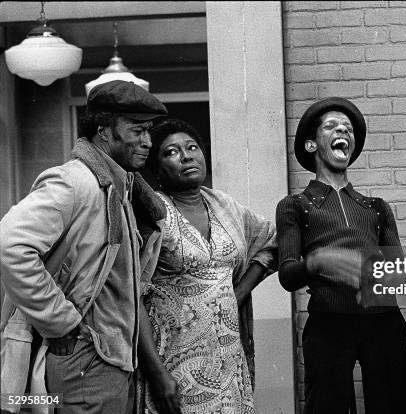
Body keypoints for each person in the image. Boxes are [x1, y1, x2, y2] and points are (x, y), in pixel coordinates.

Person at [0, 80, 168, 413]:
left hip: (110, 361)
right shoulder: (76, 181)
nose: (148, 141)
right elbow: (11, 246)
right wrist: (60, 322)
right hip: (84, 360)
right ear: (104, 131)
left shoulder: (119, 186)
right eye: (137, 130)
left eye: (149, 131)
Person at [275, 98, 406, 413]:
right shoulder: (295, 206)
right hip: (328, 324)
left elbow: (402, 275)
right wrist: (319, 261)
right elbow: (287, 274)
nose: (343, 131)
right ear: (312, 144)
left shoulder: (376, 207)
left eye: (348, 129)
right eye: (332, 126)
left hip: (384, 322)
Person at [136, 118, 276, 414]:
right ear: (157, 170)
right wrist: (158, 374)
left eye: (192, 147)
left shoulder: (224, 206)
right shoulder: (152, 212)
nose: (186, 156)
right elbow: (131, 294)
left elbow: (270, 243)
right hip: (172, 361)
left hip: (227, 359)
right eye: (171, 152)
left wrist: (238, 293)